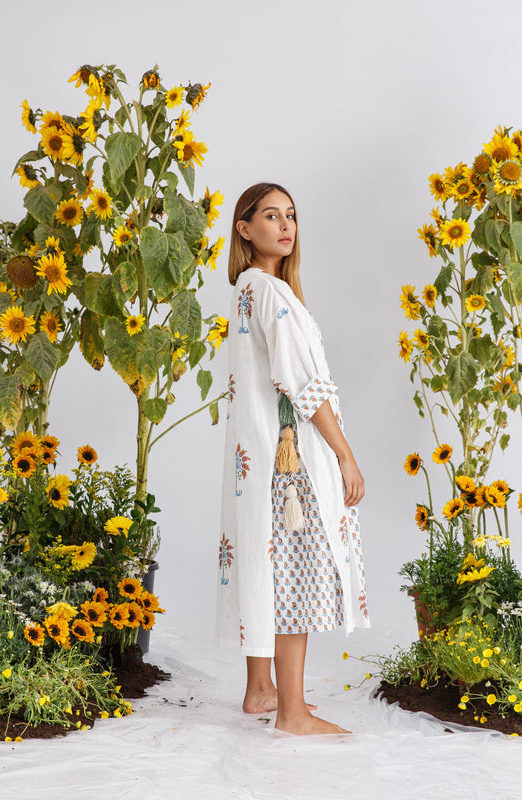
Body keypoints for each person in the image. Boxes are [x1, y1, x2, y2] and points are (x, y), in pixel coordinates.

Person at [214, 182, 370, 736]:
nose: (285, 226)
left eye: (291, 216)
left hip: (259, 455)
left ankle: (261, 689)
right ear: (244, 228)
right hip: (290, 461)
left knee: (266, 561)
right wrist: (345, 454)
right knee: (293, 574)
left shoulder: (248, 289)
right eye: (270, 216)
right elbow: (302, 383)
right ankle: (293, 713)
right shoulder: (272, 293)